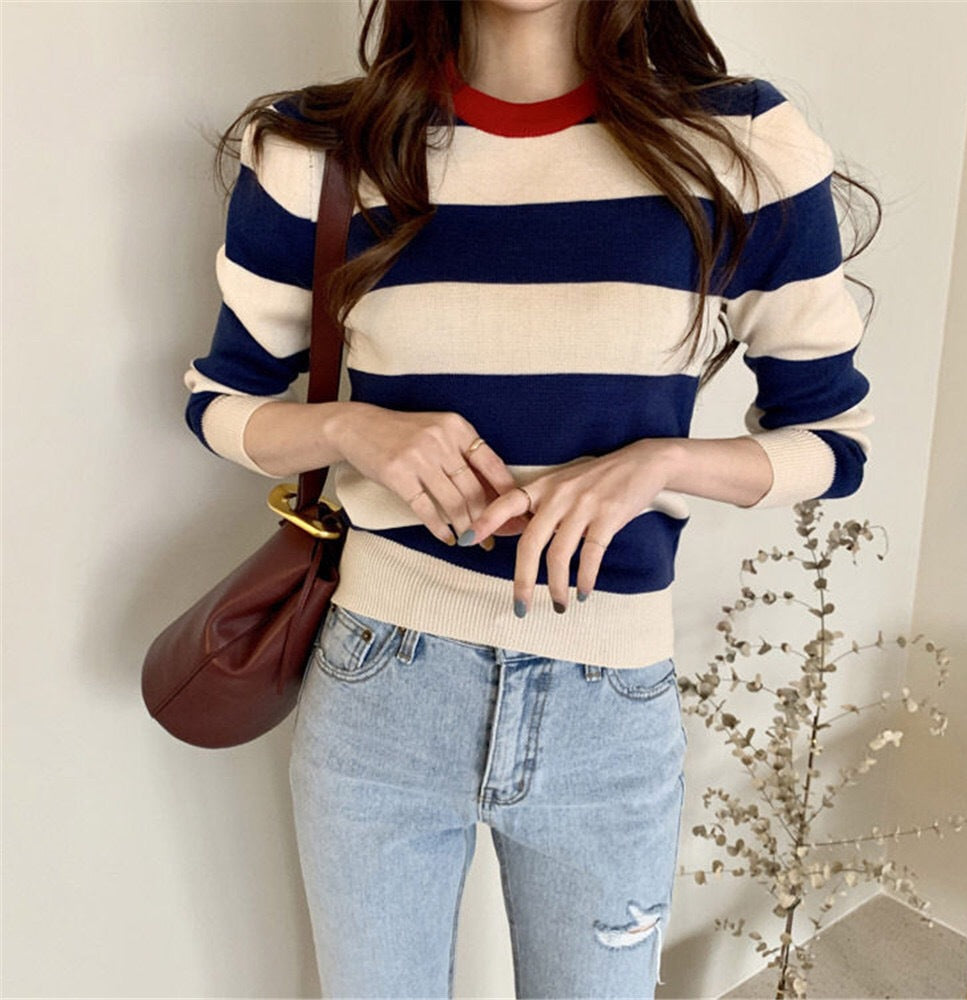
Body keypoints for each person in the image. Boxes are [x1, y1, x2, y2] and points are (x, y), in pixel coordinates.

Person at [183, 1, 878, 996]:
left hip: (609, 708)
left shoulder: (739, 145)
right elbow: (220, 402)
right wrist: (348, 428)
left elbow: (832, 441)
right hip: (380, 687)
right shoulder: (318, 153)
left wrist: (660, 463)